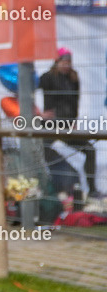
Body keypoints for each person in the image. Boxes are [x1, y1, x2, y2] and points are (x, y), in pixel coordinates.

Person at [40, 47, 100, 200]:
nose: (66, 65)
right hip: (49, 127)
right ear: (57, 62)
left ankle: (92, 190)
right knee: (41, 154)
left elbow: (75, 102)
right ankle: (46, 190)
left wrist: (73, 121)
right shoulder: (47, 77)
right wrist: (39, 114)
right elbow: (26, 93)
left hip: (67, 127)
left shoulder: (74, 78)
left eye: (69, 62)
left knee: (89, 150)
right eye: (64, 62)